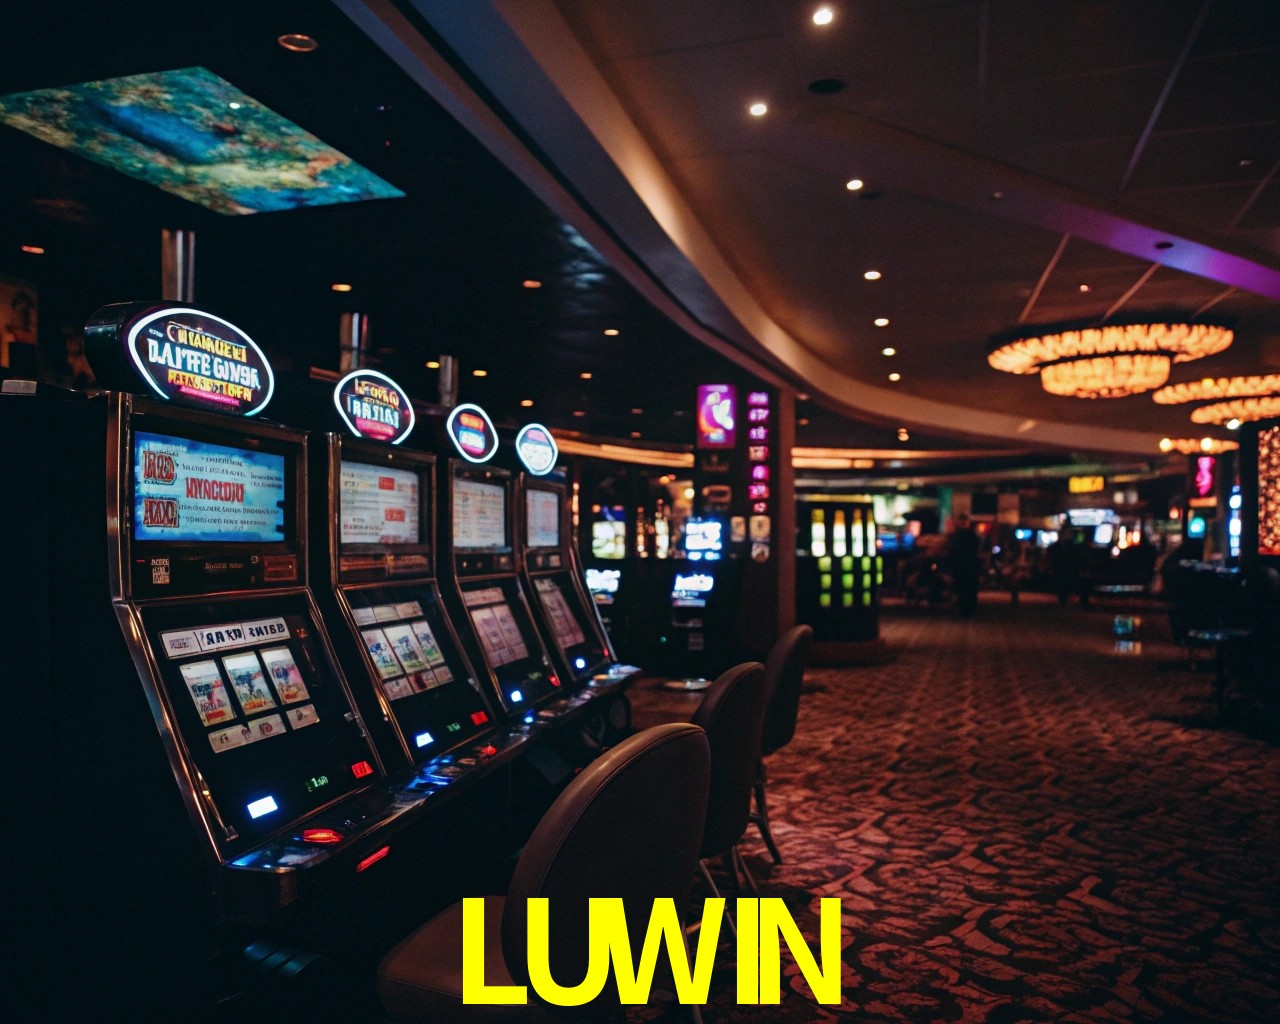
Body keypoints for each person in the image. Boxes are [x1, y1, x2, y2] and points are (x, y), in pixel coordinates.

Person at [947, 514, 981, 617]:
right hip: (969, 565)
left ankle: (963, 608)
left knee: (962, 588)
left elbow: (952, 551)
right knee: (969, 588)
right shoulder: (972, 535)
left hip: (961, 565)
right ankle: (969, 609)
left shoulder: (956, 536)